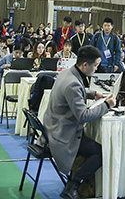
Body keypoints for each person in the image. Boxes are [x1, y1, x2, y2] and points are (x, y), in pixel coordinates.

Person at [43, 45, 115, 199]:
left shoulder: (67, 73)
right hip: (63, 135)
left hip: (53, 127)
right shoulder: (73, 83)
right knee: (101, 153)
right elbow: (83, 116)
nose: (96, 69)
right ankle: (73, 186)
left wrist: (93, 94)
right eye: (95, 65)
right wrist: (106, 105)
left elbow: (75, 92)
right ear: (85, 65)